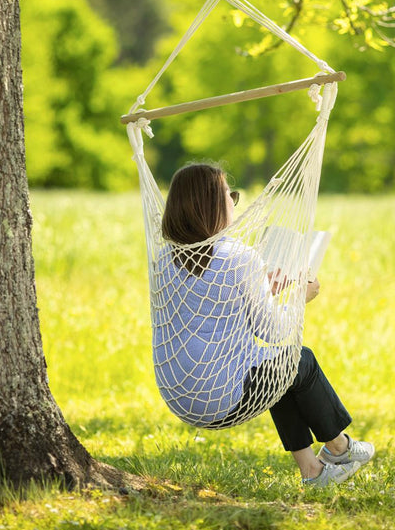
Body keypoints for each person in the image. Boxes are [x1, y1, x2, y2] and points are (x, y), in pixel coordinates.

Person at [155, 162, 374, 488]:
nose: (235, 203)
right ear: (213, 205)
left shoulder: (164, 260)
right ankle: (340, 447)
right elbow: (273, 332)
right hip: (221, 396)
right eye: (231, 196)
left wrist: (263, 290)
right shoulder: (239, 257)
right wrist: (300, 296)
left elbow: (207, 306)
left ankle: (313, 472)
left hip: (179, 393)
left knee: (277, 373)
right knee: (300, 362)